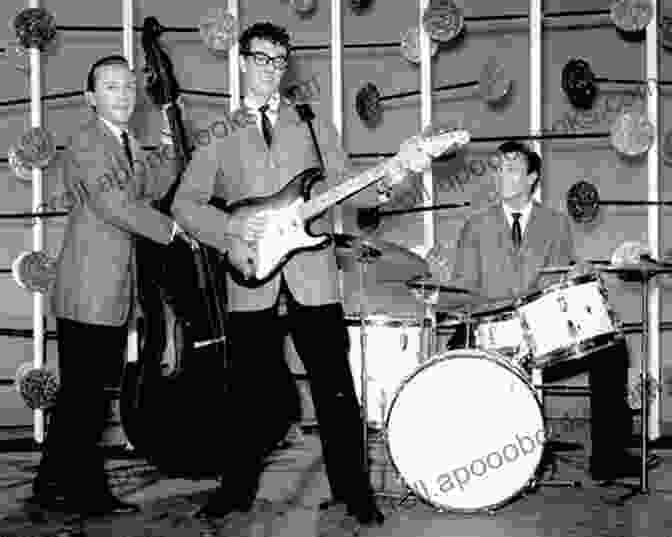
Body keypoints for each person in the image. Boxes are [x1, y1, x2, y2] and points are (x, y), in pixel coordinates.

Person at [169, 21, 432, 525]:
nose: (271, 69)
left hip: (313, 276)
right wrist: (231, 232)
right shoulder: (220, 133)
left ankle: (354, 492)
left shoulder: (312, 121)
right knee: (246, 394)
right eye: (262, 58)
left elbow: (347, 186)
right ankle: (236, 490)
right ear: (243, 61)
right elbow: (186, 203)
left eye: (279, 60)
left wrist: (389, 179)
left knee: (335, 389)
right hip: (250, 278)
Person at [442, 140, 658, 481]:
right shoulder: (475, 225)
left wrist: (577, 272)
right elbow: (462, 290)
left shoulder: (556, 224)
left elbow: (559, 285)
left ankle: (608, 457)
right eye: (498, 169)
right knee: (451, 355)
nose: (502, 176)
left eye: (511, 169)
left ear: (531, 178)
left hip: (542, 339)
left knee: (612, 349)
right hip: (493, 334)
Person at [32, 54, 183, 516]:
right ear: (90, 98)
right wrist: (171, 231)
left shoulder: (130, 144)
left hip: (108, 294)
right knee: (88, 401)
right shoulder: (87, 143)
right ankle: (86, 492)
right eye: (112, 87)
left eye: (129, 86)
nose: (124, 94)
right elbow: (114, 203)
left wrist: (170, 148)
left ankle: (49, 485)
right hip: (88, 293)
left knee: (83, 397)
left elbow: (156, 183)